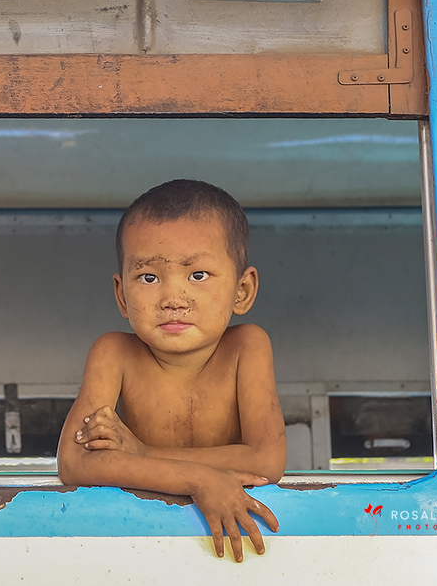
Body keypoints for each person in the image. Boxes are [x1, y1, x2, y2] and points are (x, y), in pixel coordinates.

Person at [57, 179, 286, 562]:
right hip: (137, 549)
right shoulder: (114, 353)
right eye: (149, 277)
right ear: (122, 296)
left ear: (242, 290)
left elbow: (265, 462)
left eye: (198, 275)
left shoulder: (246, 346)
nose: (173, 299)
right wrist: (199, 480)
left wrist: (142, 453)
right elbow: (74, 462)